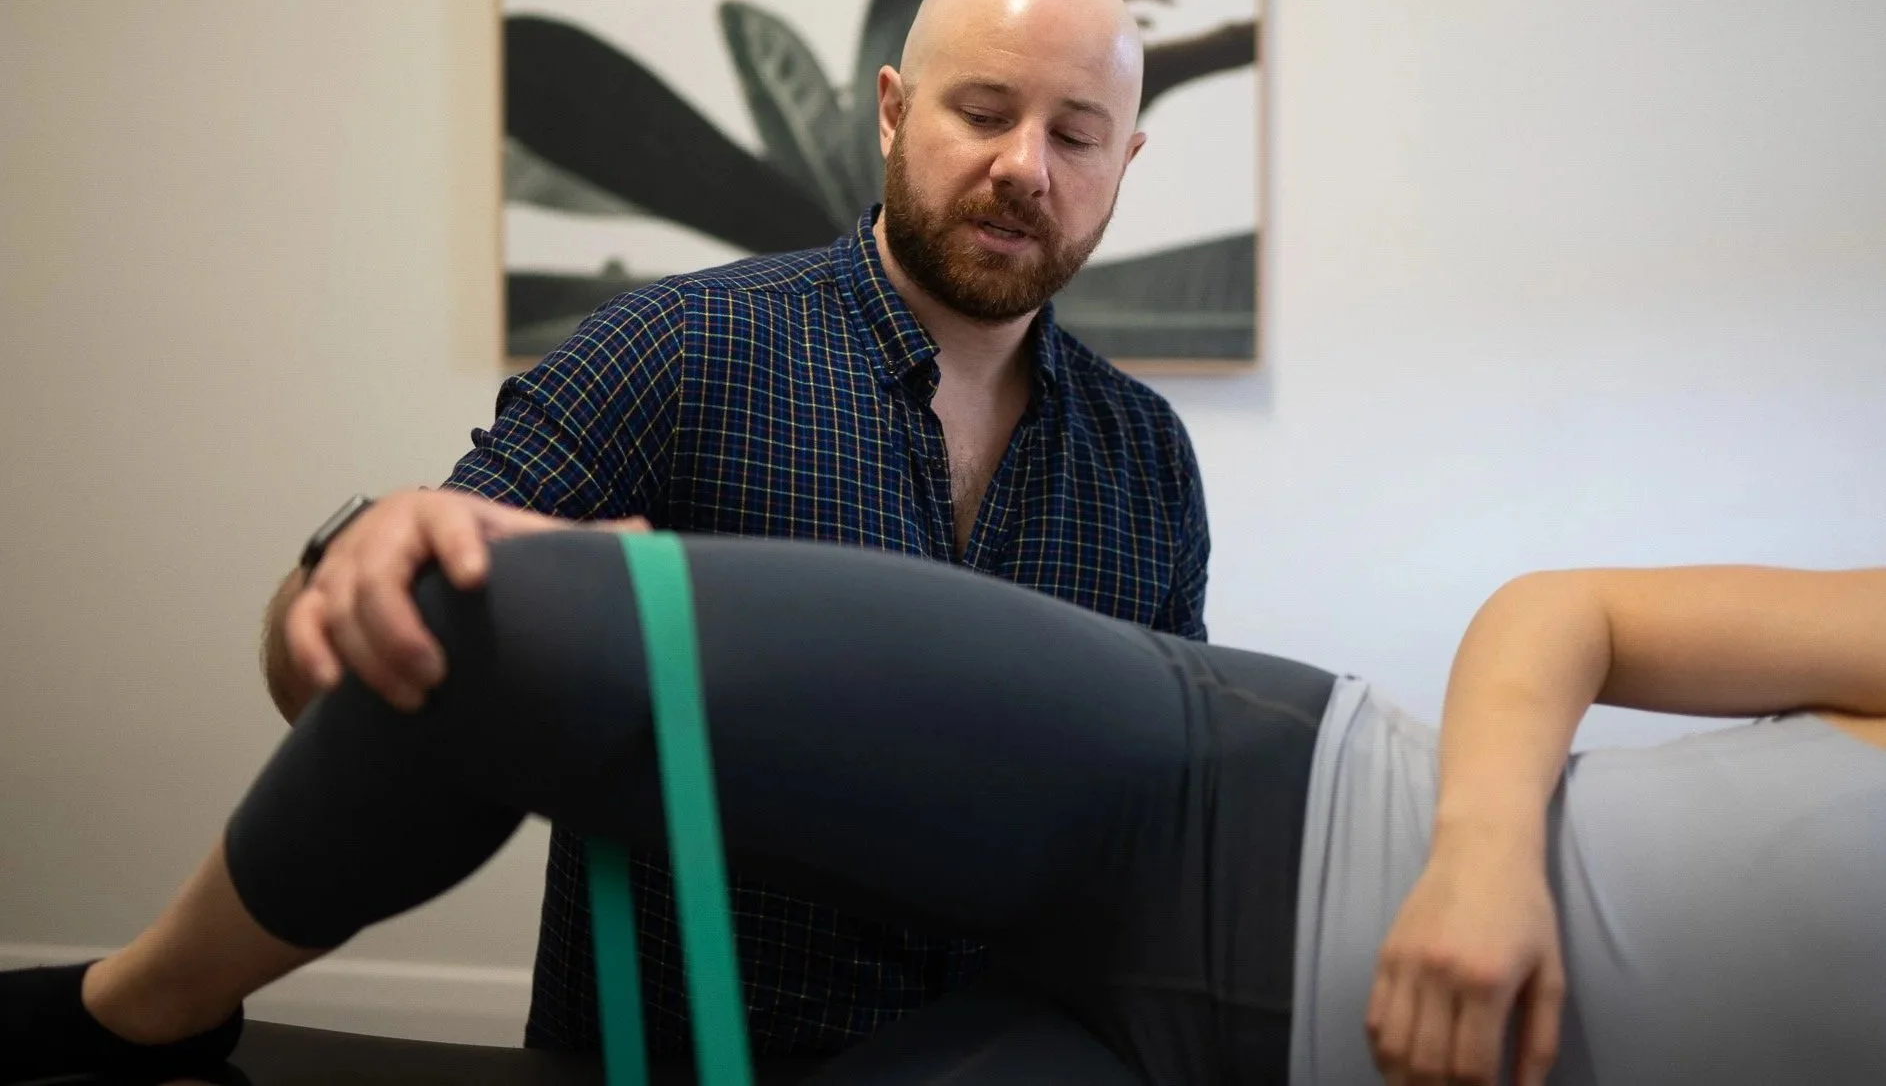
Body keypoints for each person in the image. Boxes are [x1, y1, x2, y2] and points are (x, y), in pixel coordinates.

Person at [255, 0, 1213, 1059]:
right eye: (984, 110)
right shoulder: (674, 353)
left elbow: (1163, 822)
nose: (1023, 166)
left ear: (1124, 159)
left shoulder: (1146, 457)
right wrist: (338, 585)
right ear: (894, 114)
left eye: (1075, 134)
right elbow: (350, 653)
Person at [8, 536, 1883, 1085]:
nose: (1027, 163)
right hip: (1249, 808)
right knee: (485, 621)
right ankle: (131, 1020)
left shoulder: (1122, 446)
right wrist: (1484, 857)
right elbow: (1571, 610)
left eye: (1073, 129)